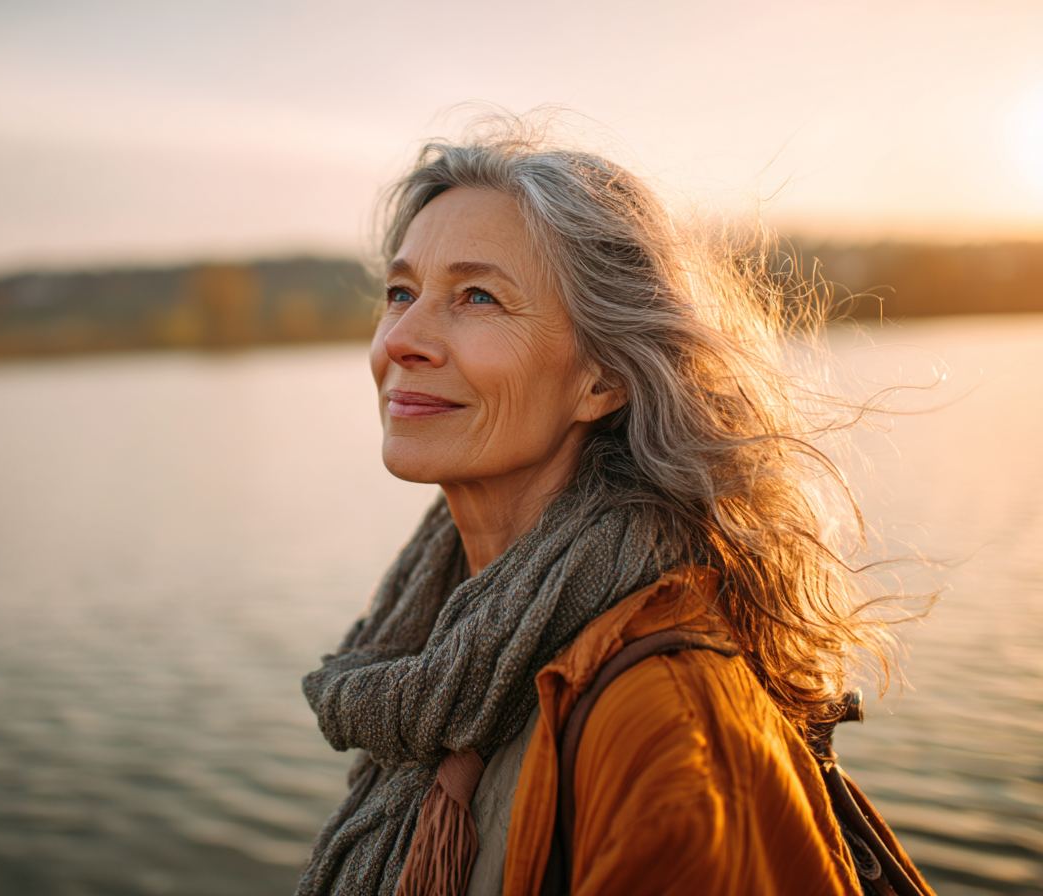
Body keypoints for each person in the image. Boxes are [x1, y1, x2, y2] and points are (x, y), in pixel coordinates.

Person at [295, 122, 919, 895]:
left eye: (477, 296)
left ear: (602, 380)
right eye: (400, 293)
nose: (404, 340)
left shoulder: (672, 722)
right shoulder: (441, 642)